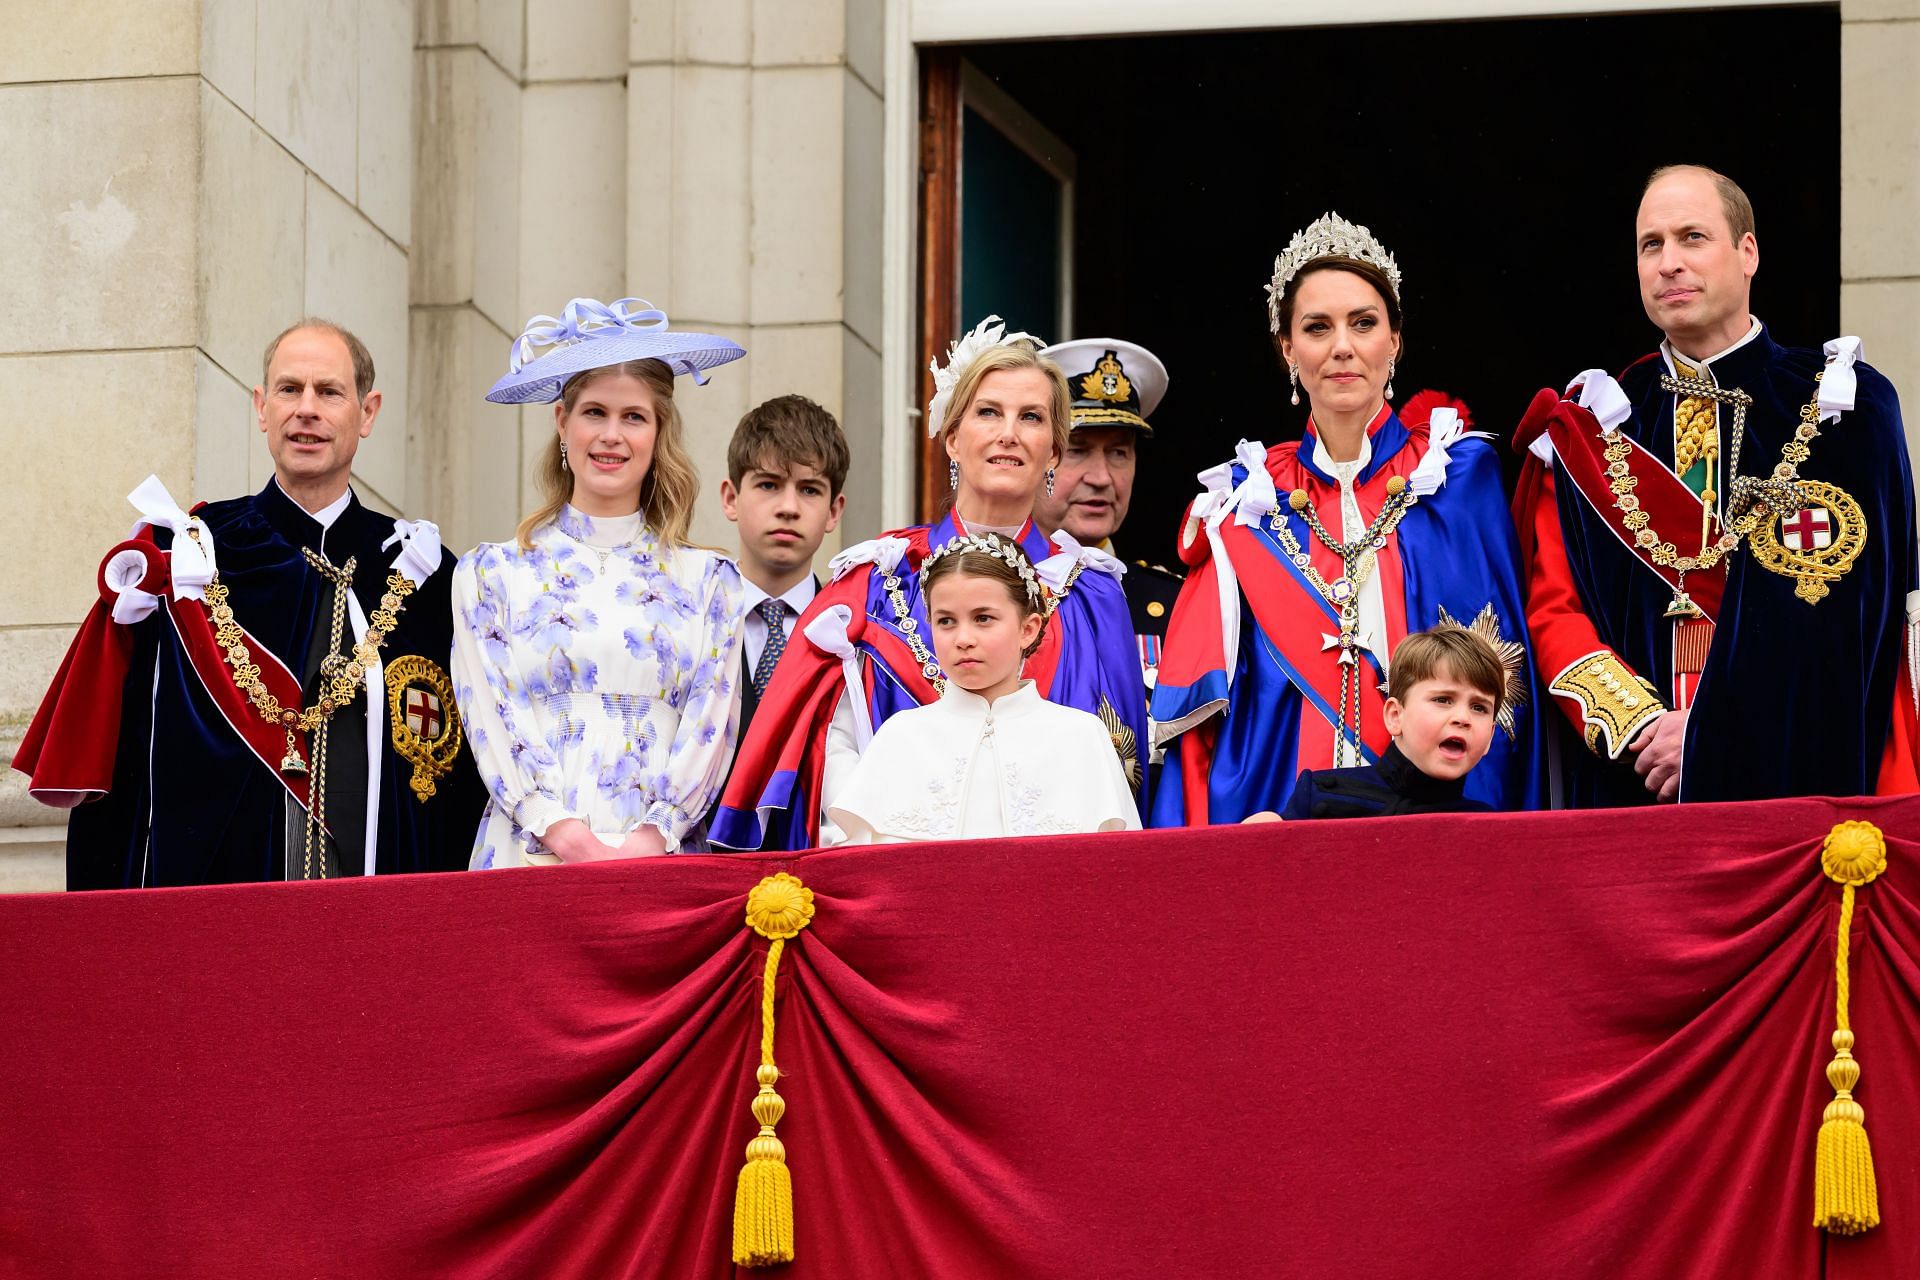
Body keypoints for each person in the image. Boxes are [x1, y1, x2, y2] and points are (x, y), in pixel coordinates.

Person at [13, 320, 484, 887]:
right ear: (261, 407)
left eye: (329, 392)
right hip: (221, 914)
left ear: (368, 412)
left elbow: (464, 785)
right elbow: (125, 755)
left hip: (380, 915)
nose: (306, 410)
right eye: (289, 390)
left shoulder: (427, 577)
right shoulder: (189, 558)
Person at [1513, 165, 1920, 804]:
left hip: (1797, 787)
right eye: (1652, 245)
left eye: (1693, 237)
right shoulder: (1593, 427)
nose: (1670, 262)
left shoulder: (1849, 408)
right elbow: (1554, 612)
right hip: (1636, 787)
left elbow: (1851, 625)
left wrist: (1710, 738)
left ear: (1747, 251)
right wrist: (1643, 728)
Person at [1151, 213, 1544, 824]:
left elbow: (1503, 675)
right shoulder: (1244, 500)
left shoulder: (1460, 475)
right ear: (1287, 349)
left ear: (1395, 341)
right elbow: (1198, 709)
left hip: (1436, 812)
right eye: (1317, 327)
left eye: (1363, 324)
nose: (1342, 346)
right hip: (1279, 806)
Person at [712, 317, 1149, 850]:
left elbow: (1122, 772)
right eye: (988, 412)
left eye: (1031, 417)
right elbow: (831, 743)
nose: (1008, 433)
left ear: (1053, 451)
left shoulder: (1093, 595)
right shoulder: (875, 583)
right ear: (952, 437)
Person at [452, 297, 747, 866]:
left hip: (659, 865)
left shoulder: (711, 583)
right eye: (594, 412)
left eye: (633, 416)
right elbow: (493, 718)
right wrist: (564, 834)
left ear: (658, 433)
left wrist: (650, 839)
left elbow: (710, 730)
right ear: (562, 422)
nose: (612, 434)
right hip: (529, 856)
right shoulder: (491, 574)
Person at [828, 533, 1141, 842]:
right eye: (946, 621)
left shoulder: (1082, 735)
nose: (963, 639)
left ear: (1028, 629)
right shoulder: (900, 737)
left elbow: (1119, 870)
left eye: (983, 618)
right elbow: (862, 867)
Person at [1035, 338, 1183, 691]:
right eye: (1077, 451)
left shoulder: (1174, 604)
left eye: (1118, 452)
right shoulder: (983, 591)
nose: (1101, 478)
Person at [717, 394, 848, 768]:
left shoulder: (851, 635)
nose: (788, 507)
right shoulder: (695, 618)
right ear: (731, 498)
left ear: (833, 511)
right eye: (769, 485)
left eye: (809, 489)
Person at [1277, 622, 1505, 819]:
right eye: (1443, 700)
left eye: (1479, 707)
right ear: (1396, 716)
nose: (1463, 718)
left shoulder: (1490, 828)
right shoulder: (1322, 797)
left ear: (1490, 737)